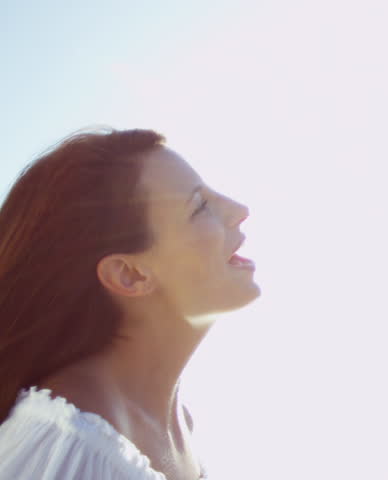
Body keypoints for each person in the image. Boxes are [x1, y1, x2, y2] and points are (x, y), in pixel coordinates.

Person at [0, 128, 259, 479]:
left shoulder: (180, 425)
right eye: (200, 207)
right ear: (130, 275)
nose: (240, 210)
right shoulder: (68, 444)